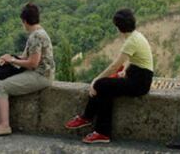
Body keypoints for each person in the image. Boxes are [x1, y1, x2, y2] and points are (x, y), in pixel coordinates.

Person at [65, 8, 154, 143]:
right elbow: (136, 60)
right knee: (106, 91)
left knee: (101, 84)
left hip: (140, 82)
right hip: (138, 76)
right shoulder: (136, 36)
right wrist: (126, 70)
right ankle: (101, 132)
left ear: (118, 27)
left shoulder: (131, 41)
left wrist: (96, 80)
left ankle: (88, 118)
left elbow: (115, 66)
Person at [0, 3, 55, 136]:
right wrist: (10, 57)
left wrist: (12, 60)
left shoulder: (36, 36)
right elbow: (26, 57)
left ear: (24, 21)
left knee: (0, 87)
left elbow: (32, 63)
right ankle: (0, 122)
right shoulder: (39, 32)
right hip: (42, 73)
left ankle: (5, 125)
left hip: (41, 75)